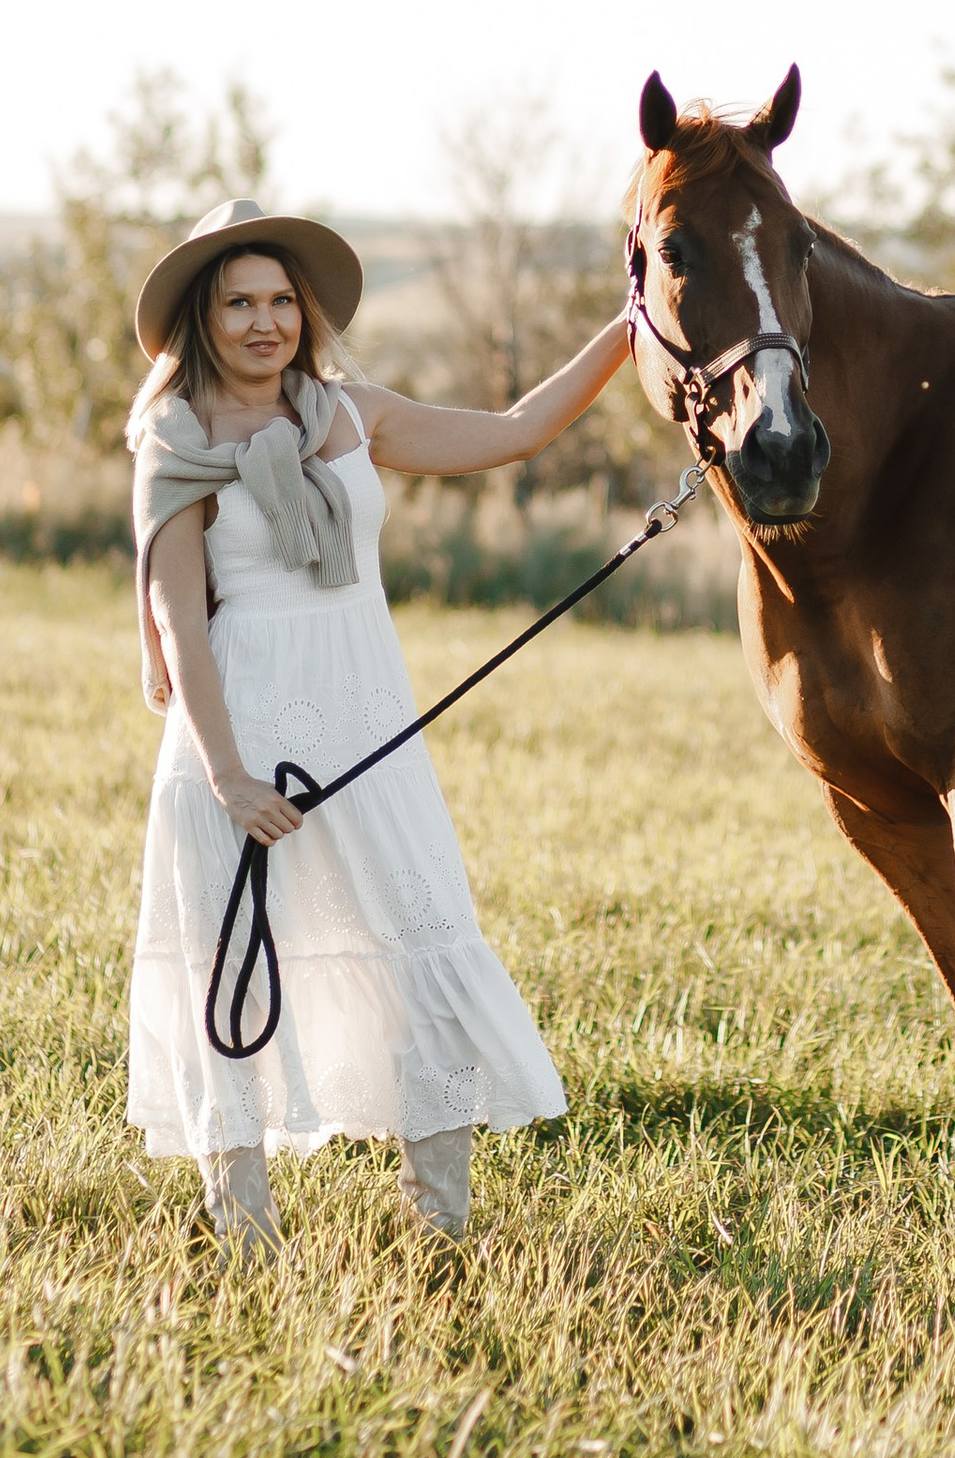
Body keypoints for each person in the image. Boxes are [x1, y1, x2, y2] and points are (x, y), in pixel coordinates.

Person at [125, 194, 631, 1259]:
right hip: (241, 734)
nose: (265, 324)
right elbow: (181, 620)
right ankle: (245, 1239)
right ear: (200, 322)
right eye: (237, 304)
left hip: (366, 723)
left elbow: (515, 431)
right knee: (235, 971)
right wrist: (228, 777)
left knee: (422, 954)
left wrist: (633, 328)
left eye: (280, 301)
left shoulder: (348, 415)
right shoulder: (173, 445)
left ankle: (436, 1229)